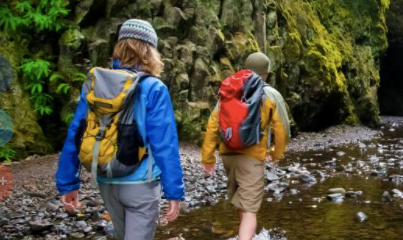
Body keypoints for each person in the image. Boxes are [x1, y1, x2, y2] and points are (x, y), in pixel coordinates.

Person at [55, 19, 184, 240]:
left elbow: (75, 133)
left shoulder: (95, 84)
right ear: (150, 50)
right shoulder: (154, 87)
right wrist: (174, 192)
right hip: (140, 184)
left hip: (106, 179)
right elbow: (165, 144)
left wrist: (68, 183)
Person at [201, 52, 290, 240]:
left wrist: (208, 158)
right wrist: (276, 153)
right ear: (266, 74)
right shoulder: (271, 94)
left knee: (242, 203)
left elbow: (212, 125)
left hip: (227, 156)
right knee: (250, 211)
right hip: (251, 158)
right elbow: (282, 129)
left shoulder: (230, 90)